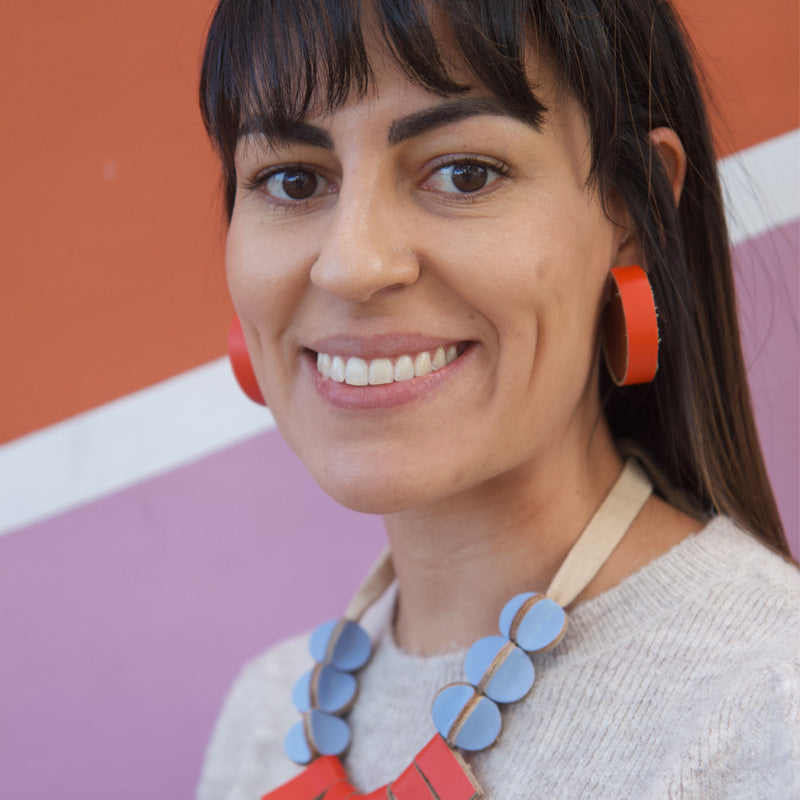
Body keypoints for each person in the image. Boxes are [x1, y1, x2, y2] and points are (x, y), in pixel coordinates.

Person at [195, 1, 799, 797]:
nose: (351, 265)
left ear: (635, 208)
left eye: (464, 173)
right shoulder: (265, 721)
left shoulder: (768, 706)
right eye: (293, 180)